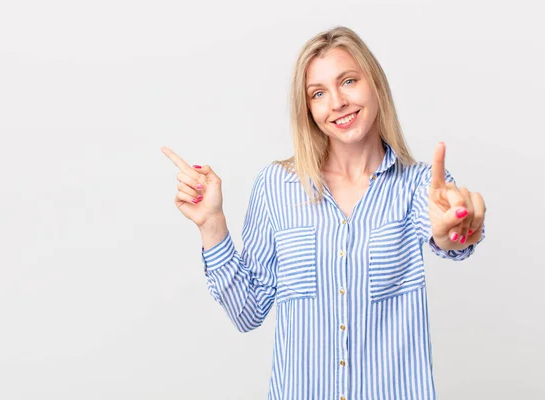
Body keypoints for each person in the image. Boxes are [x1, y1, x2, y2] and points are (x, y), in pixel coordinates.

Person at [162, 26, 486, 400]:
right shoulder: (276, 186)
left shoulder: (418, 185)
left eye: (348, 81)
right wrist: (212, 224)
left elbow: (448, 235)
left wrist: (455, 231)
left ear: (374, 84)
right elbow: (247, 312)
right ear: (309, 109)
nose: (337, 102)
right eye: (318, 93)